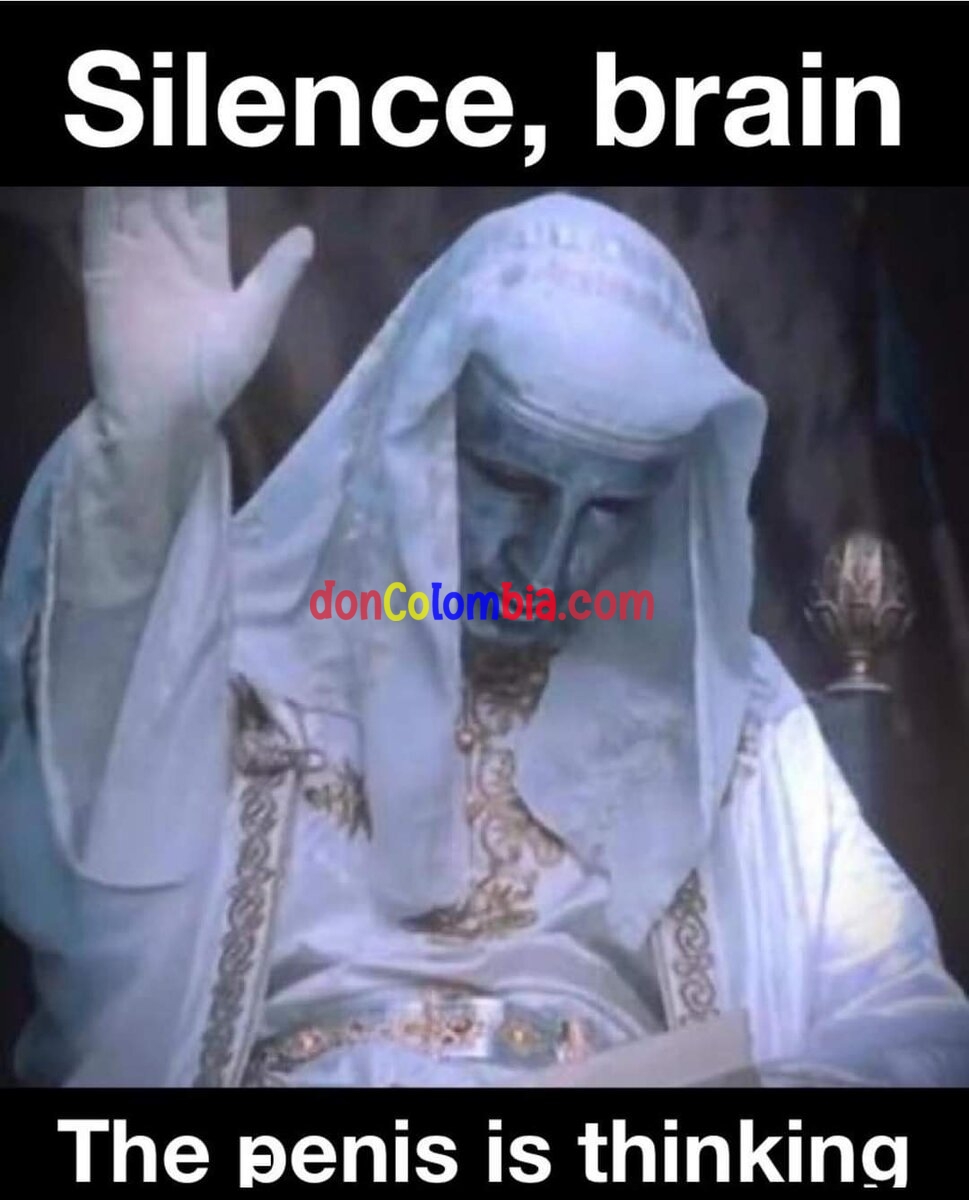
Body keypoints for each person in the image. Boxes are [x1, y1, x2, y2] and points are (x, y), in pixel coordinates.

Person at [1, 187, 967, 1088]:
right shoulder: (239, 648)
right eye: (512, 484)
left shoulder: (729, 716)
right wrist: (143, 462)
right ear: (418, 431)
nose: (545, 566)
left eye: (610, 510)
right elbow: (87, 834)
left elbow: (908, 1018)